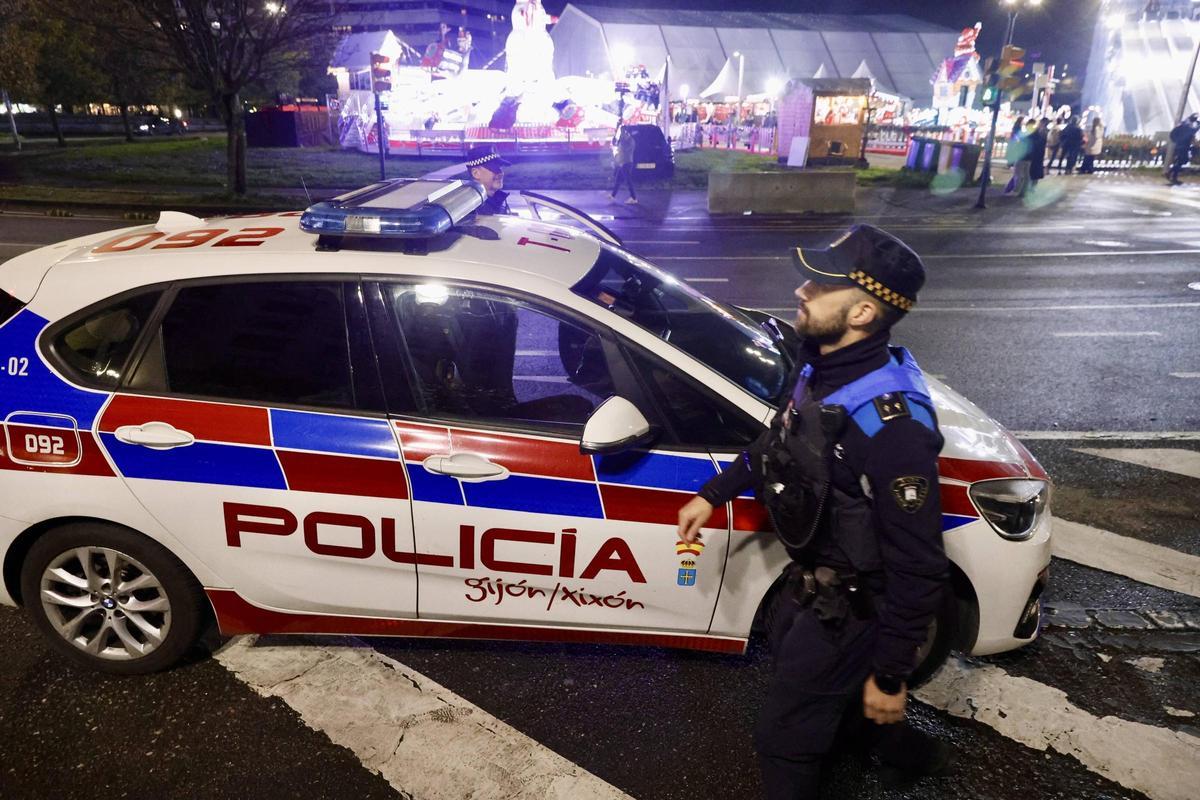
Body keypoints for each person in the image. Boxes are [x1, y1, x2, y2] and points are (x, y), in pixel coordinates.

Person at [677, 225, 951, 800]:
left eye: (821, 284)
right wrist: (714, 492)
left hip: (853, 607)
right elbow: (780, 441)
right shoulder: (821, 367)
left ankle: (890, 736)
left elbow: (920, 562)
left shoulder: (893, 425)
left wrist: (893, 673)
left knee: (784, 736)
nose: (801, 289)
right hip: (813, 584)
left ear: (862, 312)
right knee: (836, 694)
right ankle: (910, 752)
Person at [464, 145, 512, 214]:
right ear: (475, 173)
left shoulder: (497, 199)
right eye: (494, 168)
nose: (501, 173)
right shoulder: (471, 208)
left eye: (500, 167)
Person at [608, 125, 638, 204]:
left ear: (626, 132)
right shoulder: (624, 140)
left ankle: (634, 198)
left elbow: (625, 150)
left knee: (628, 181)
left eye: (623, 132)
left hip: (627, 163)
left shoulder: (630, 141)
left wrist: (618, 146)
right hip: (622, 163)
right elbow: (618, 146)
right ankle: (613, 195)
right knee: (618, 180)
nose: (621, 133)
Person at [1167, 114, 1198, 185]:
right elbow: (1192, 131)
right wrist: (1198, 125)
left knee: (1180, 161)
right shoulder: (1187, 125)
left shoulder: (1184, 123)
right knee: (1182, 160)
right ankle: (1170, 173)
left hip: (1181, 144)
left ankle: (1173, 175)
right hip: (1183, 145)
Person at [1027, 118, 1049, 190]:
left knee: (1033, 171)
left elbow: (1037, 142)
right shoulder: (1043, 131)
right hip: (1038, 154)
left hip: (1036, 154)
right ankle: (1032, 187)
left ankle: (1031, 187)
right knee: (1034, 171)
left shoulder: (1041, 131)